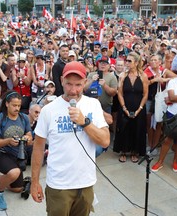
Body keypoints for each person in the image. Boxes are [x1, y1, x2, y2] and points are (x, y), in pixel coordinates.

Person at [31, 61, 110, 215]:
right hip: (59, 185)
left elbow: (105, 140)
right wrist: (35, 182)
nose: (73, 90)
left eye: (78, 85)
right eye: (68, 84)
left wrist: (84, 122)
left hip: (86, 182)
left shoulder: (93, 105)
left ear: (85, 83)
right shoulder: (48, 110)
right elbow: (38, 147)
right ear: (61, 81)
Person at [113, 52, 148, 163]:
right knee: (124, 129)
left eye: (129, 61)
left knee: (137, 129)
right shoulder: (122, 75)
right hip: (125, 106)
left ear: (136, 63)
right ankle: (123, 151)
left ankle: (135, 151)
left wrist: (139, 109)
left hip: (139, 108)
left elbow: (145, 94)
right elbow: (120, 93)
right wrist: (124, 108)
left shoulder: (143, 76)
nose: (126, 63)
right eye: (126, 60)